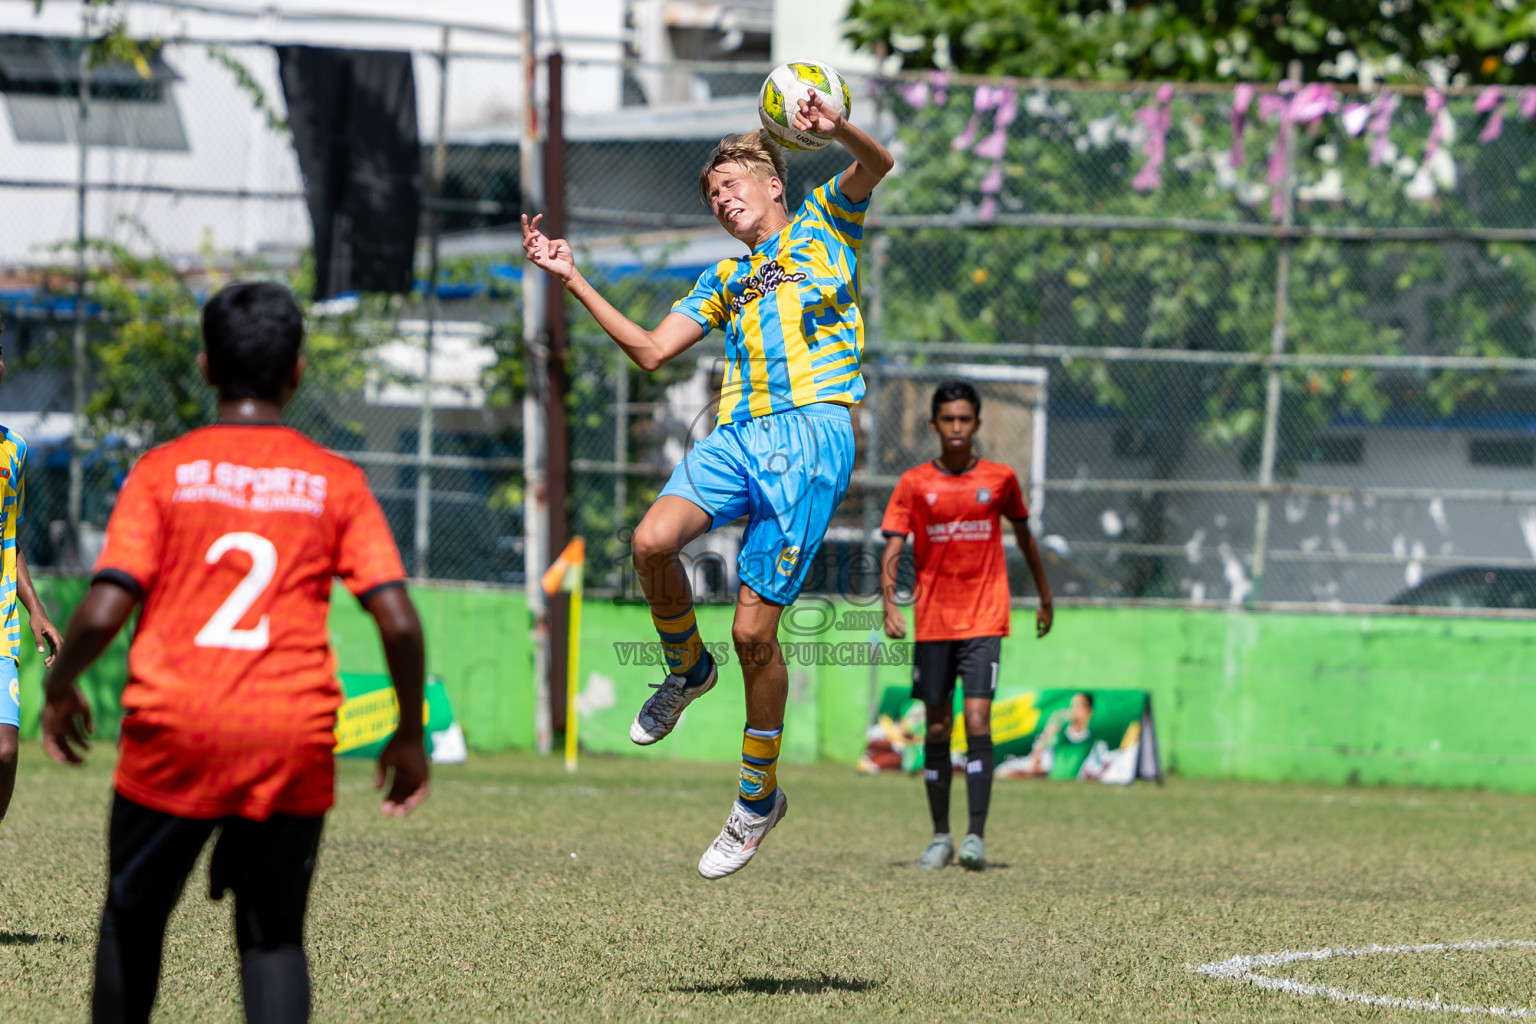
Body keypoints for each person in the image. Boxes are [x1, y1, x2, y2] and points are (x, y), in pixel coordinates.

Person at [522, 92, 893, 878]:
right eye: (714, 194)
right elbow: (655, 350)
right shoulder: (727, 276)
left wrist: (835, 131)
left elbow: (878, 163)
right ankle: (687, 667)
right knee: (651, 541)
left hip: (811, 436)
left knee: (756, 635)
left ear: (773, 185)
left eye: (733, 185)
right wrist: (572, 276)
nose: (723, 200)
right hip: (736, 440)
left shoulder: (826, 220)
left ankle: (757, 799)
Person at [39, 282, 430, 1024]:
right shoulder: (334, 481)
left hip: (173, 729)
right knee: (273, 939)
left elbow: (106, 603)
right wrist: (407, 734)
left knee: (132, 916)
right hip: (288, 733)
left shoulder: (162, 471)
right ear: (298, 372)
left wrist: (60, 686)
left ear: (206, 366)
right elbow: (400, 623)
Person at [880, 380, 1054, 871]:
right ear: (935, 425)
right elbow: (894, 545)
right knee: (937, 727)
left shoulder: (1000, 479)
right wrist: (889, 604)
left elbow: (1025, 538)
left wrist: (1044, 596)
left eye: (964, 419)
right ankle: (941, 837)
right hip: (933, 623)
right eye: (948, 419)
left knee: (977, 721)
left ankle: (975, 837)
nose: (956, 428)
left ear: (976, 424)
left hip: (984, 618)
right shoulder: (915, 484)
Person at [0, 314, 64, 830]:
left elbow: (10, 538)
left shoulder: (14, 450)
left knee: (3, 752)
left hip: (1, 622)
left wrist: (36, 610)